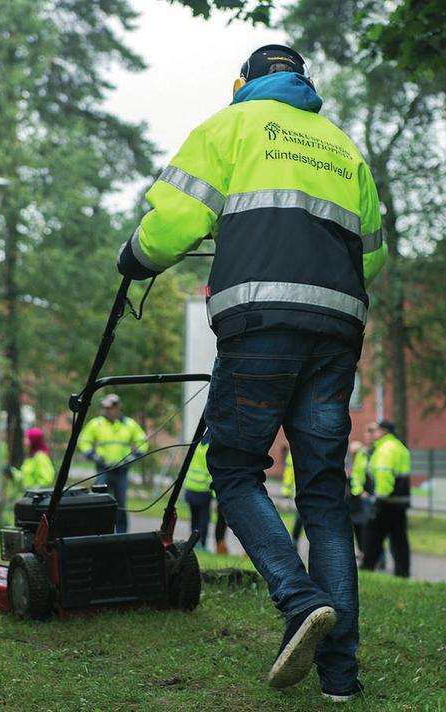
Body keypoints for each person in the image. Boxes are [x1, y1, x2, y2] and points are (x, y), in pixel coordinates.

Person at [116, 44, 387, 702]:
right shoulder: (343, 147)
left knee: (234, 470)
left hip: (261, 322)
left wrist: (135, 256)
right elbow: (371, 258)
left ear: (245, 82)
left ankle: (297, 602)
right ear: (302, 81)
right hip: (337, 328)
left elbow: (175, 221)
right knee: (323, 495)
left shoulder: (229, 127)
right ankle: (341, 679)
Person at [77, 393, 147, 533]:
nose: (107, 410)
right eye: (105, 408)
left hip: (122, 470)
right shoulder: (96, 423)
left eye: (110, 408)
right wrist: (94, 456)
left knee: (121, 504)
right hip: (103, 469)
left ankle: (122, 534)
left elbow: (142, 441)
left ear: (117, 408)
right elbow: (83, 440)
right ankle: (102, 532)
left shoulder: (129, 424)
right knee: (101, 502)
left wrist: (132, 457)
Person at [360, 420, 412, 578]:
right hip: (399, 502)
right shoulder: (399, 447)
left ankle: (367, 569)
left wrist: (378, 499)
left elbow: (384, 475)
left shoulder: (385, 449)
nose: (373, 434)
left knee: (372, 536)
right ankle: (402, 572)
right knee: (399, 539)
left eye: (376, 430)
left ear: (383, 432)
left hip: (386, 502)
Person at [183, 432, 214, 551]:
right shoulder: (210, 447)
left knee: (194, 518)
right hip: (203, 489)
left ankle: (193, 543)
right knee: (204, 519)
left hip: (190, 486)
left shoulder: (195, 444)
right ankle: (202, 544)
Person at [280, 450, 305, 547]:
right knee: (300, 518)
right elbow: (289, 472)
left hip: (310, 491)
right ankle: (294, 542)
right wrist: (286, 492)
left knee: (302, 518)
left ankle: (294, 542)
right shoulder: (292, 451)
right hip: (299, 491)